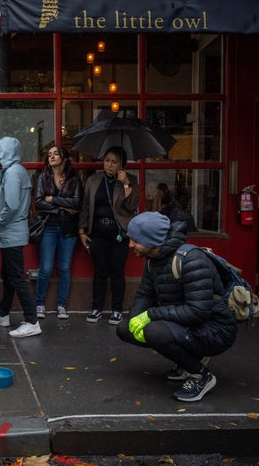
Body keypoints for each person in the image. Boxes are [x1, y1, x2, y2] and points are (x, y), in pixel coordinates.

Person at [116, 211, 237, 402]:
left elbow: (198, 312)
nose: (130, 245)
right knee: (125, 328)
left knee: (155, 331)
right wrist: (135, 317)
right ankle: (186, 362)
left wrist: (150, 315)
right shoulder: (152, 261)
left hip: (216, 329)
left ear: (153, 240)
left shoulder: (191, 259)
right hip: (186, 324)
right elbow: (144, 294)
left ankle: (200, 376)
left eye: (135, 240)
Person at [0, 137, 41, 338]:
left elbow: (11, 205)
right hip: (14, 232)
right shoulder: (18, 170)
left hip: (11, 233)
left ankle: (32, 320)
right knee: (8, 275)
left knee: (16, 277)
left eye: (1, 151)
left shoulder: (11, 173)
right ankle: (3, 313)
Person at [78, 146, 138, 325]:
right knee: (100, 272)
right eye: (107, 160)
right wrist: (81, 231)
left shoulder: (130, 180)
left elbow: (132, 205)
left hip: (119, 234)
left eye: (114, 162)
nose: (109, 165)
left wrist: (126, 183)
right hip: (97, 234)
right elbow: (86, 206)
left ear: (121, 164)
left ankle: (117, 310)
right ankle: (96, 308)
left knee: (117, 272)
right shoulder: (94, 180)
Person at [33, 145, 83, 320]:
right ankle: (40, 304)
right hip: (48, 227)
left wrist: (53, 199)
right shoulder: (43, 178)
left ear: (63, 157)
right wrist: (63, 206)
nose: (51, 157)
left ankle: (61, 305)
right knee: (45, 268)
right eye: (49, 155)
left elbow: (77, 203)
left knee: (64, 268)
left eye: (55, 154)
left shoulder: (73, 179)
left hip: (68, 230)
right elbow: (39, 202)